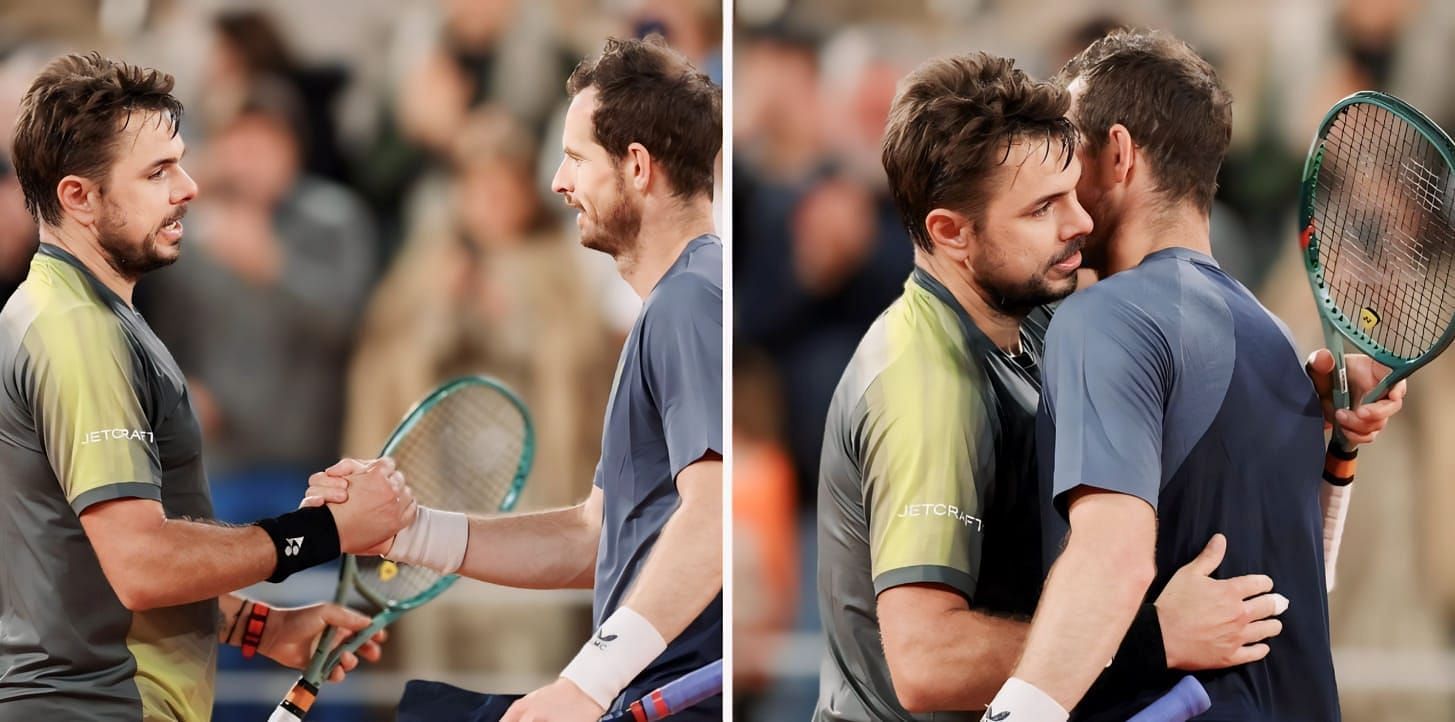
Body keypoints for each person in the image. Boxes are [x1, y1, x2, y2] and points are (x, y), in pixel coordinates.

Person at [813, 51, 1397, 722]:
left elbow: (1276, 589)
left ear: (1116, 155)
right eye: (1040, 208)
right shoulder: (929, 379)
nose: (1078, 222)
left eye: (1069, 184)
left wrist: (1334, 448)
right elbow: (926, 662)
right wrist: (1150, 638)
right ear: (950, 232)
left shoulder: (1078, 324)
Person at [983, 30, 1404, 721]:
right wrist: (1341, 457)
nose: (1055, 179)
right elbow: (1293, 590)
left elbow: (1108, 561)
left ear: (1117, 154)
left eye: (1068, 149)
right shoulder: (1272, 339)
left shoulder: (1106, 319)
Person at [308, 36, 723, 721]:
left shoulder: (689, 300)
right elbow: (596, 535)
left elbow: (710, 518)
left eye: (575, 159)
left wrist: (585, 684)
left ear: (639, 168)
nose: (557, 182)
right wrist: (409, 533)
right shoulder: (679, 301)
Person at [0, 52, 414, 721]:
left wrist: (259, 626)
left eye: (182, 161)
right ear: (78, 196)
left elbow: (90, 566)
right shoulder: (77, 331)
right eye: (158, 171)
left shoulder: (81, 315)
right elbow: (141, 561)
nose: (190, 187)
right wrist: (322, 532)